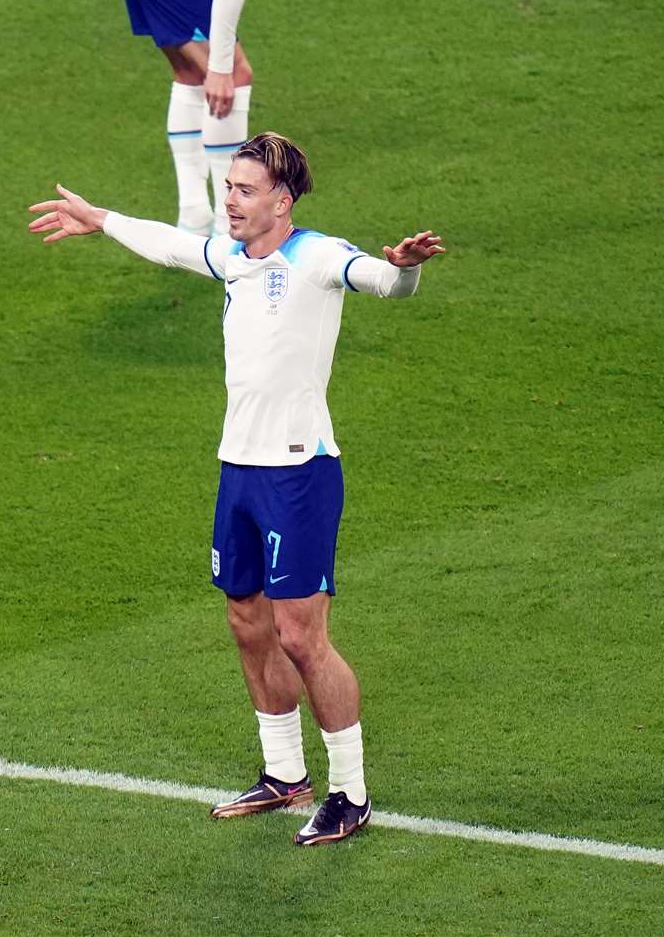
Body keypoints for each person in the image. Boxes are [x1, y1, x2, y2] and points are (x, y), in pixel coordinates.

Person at [28, 132, 443, 845]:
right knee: (247, 622)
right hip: (238, 468)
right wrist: (102, 219)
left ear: (283, 201)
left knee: (301, 635)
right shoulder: (231, 258)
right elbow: (171, 245)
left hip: (300, 472)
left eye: (245, 191)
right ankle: (285, 774)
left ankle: (351, 791)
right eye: (228, 188)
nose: (231, 201)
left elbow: (379, 279)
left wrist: (402, 269)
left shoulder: (313, 255)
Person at [110, 0, 404, 236]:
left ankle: (193, 218)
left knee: (188, 72)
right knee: (233, 75)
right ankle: (220, 229)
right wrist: (220, 67)